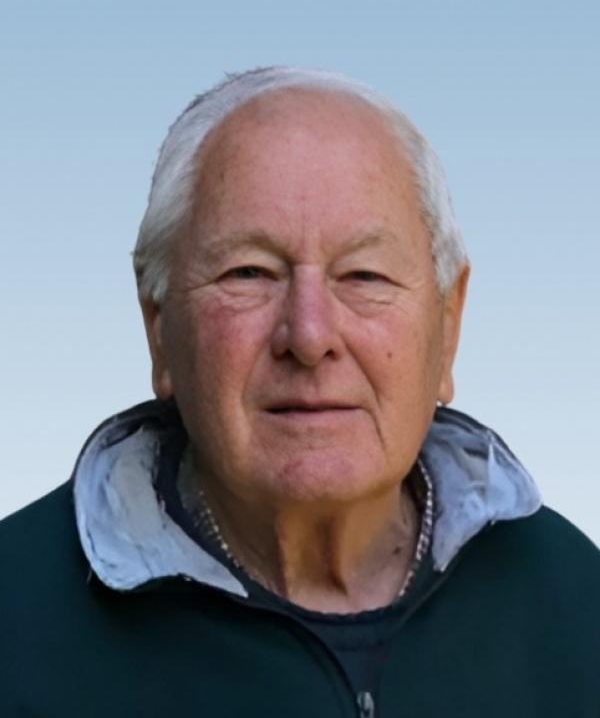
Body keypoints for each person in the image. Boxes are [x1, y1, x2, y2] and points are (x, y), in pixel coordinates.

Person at [1, 67, 598, 718]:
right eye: (249, 273)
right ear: (159, 327)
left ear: (448, 325)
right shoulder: (17, 619)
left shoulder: (573, 602)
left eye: (364, 275)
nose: (310, 336)